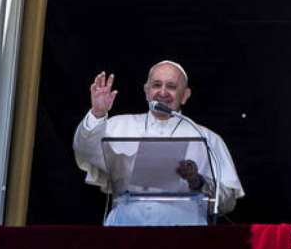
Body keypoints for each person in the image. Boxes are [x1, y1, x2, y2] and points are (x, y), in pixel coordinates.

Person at [73, 60, 244, 226]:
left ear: (185, 95)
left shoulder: (207, 138)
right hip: (126, 228)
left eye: (171, 86)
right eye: (156, 85)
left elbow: (226, 203)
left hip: (185, 234)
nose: (162, 92)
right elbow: (85, 152)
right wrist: (97, 113)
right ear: (146, 91)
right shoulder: (118, 125)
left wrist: (197, 180)